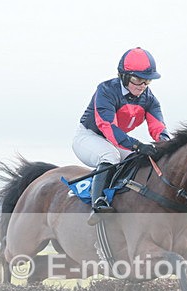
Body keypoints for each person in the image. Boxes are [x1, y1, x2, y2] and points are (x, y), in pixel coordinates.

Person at [72, 47, 171, 225]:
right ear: (123, 76)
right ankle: (98, 203)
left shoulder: (150, 99)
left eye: (147, 81)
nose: (142, 86)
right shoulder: (106, 90)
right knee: (109, 155)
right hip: (89, 136)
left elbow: (158, 128)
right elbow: (108, 127)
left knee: (139, 160)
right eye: (137, 79)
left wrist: (166, 146)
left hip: (116, 141)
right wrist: (138, 145)